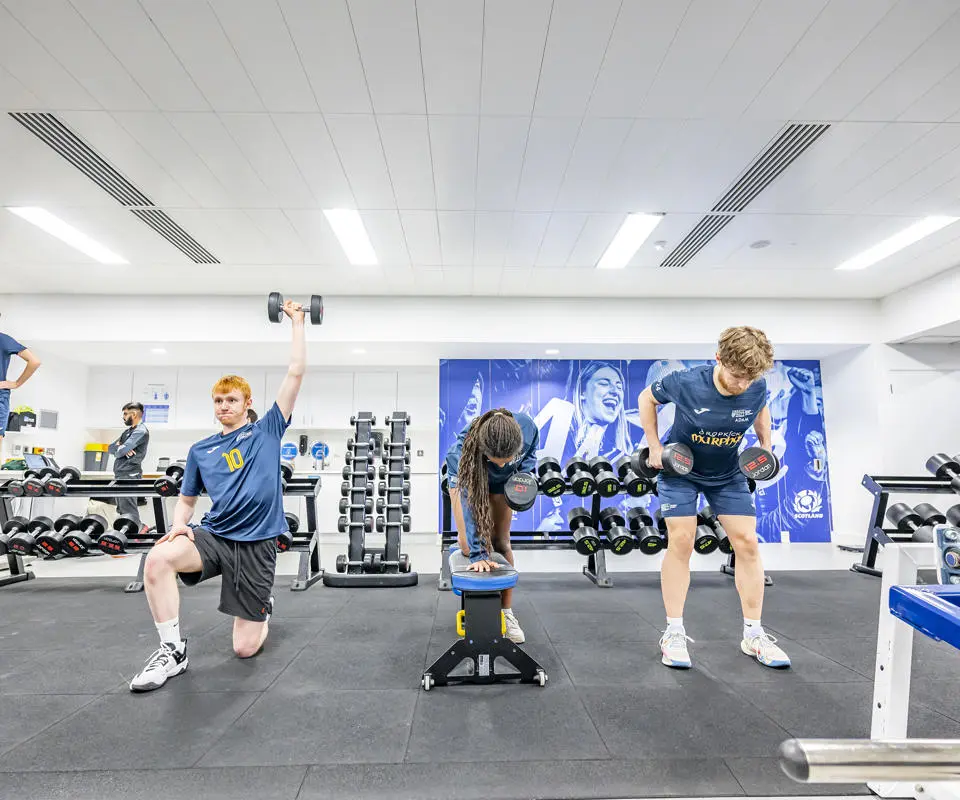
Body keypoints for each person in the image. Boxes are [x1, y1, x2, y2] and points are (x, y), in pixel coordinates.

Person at [129, 299, 305, 692]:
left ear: (248, 404)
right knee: (158, 559)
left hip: (258, 544)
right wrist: (178, 527)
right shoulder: (200, 450)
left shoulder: (268, 431)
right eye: (219, 401)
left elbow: (295, 372)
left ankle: (262, 609)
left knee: (244, 649)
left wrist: (297, 322)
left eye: (232, 400)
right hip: (216, 537)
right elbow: (187, 499)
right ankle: (172, 651)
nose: (224, 406)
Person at [637, 326, 790, 670]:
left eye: (749, 379)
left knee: (748, 543)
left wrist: (765, 446)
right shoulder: (686, 382)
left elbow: (760, 406)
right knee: (682, 540)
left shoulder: (756, 385)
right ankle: (673, 632)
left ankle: (753, 634)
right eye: (737, 376)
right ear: (718, 359)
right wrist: (656, 446)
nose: (742, 385)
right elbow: (646, 398)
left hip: (728, 473)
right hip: (681, 469)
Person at [444, 408, 539, 644]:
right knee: (468, 545)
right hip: (469, 476)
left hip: (502, 482)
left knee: (500, 542)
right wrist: (478, 554)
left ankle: (506, 613)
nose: (502, 464)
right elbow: (468, 501)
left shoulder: (527, 429)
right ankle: (478, 606)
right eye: (497, 460)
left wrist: (522, 480)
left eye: (507, 460)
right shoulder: (462, 451)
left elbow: (528, 460)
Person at [108, 402, 150, 533]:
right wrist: (120, 447)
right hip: (121, 473)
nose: (124, 417)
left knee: (128, 508)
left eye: (126, 414)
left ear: (134, 414)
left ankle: (137, 532)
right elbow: (110, 448)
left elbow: (120, 451)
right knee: (121, 508)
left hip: (130, 473)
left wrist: (122, 448)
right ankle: (130, 533)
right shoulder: (128, 431)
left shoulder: (141, 431)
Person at [0, 331, 42, 457]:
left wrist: (17, 383)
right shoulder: (3, 339)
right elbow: (34, 361)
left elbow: (35, 362)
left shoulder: (3, 340)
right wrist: (16, 383)